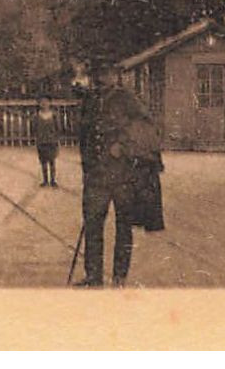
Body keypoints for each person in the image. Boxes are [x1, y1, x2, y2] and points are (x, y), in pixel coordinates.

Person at [74, 64, 164, 288]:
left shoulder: (127, 99)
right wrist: (86, 166)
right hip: (96, 175)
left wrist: (123, 145)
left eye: (108, 73)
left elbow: (146, 126)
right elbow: (84, 135)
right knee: (93, 224)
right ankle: (93, 276)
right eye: (100, 73)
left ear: (116, 75)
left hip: (122, 175)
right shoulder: (90, 100)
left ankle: (119, 277)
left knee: (123, 226)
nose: (104, 77)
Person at [32, 95, 60, 187]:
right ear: (39, 104)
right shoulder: (36, 116)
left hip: (52, 141)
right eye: (42, 102)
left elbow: (58, 128)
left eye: (46, 101)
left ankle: (53, 180)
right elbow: (33, 128)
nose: (44, 104)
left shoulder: (54, 115)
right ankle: (45, 180)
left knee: (52, 161)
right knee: (43, 161)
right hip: (41, 141)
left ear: (50, 103)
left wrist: (56, 138)